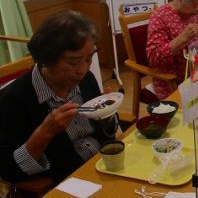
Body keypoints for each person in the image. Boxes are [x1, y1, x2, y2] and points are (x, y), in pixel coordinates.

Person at [0, 10, 118, 184]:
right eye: (74, 61)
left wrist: (107, 114)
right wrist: (44, 133)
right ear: (46, 59)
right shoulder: (13, 100)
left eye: (89, 58)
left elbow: (106, 135)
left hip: (104, 164)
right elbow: (8, 170)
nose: (83, 69)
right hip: (69, 182)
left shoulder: (85, 80)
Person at [147, 0, 198, 99]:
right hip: (173, 82)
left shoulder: (195, 13)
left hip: (197, 74)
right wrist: (182, 38)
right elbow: (154, 58)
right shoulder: (160, 17)